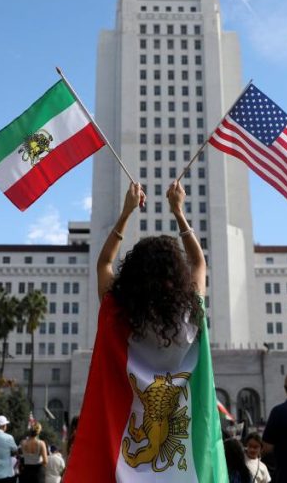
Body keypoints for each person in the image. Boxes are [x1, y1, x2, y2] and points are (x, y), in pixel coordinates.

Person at [63, 182, 220, 479]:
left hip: (126, 459)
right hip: (180, 462)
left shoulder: (117, 313)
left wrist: (125, 214)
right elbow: (199, 262)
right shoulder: (192, 312)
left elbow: (105, 263)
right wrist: (179, 212)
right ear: (177, 273)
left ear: (135, 272)